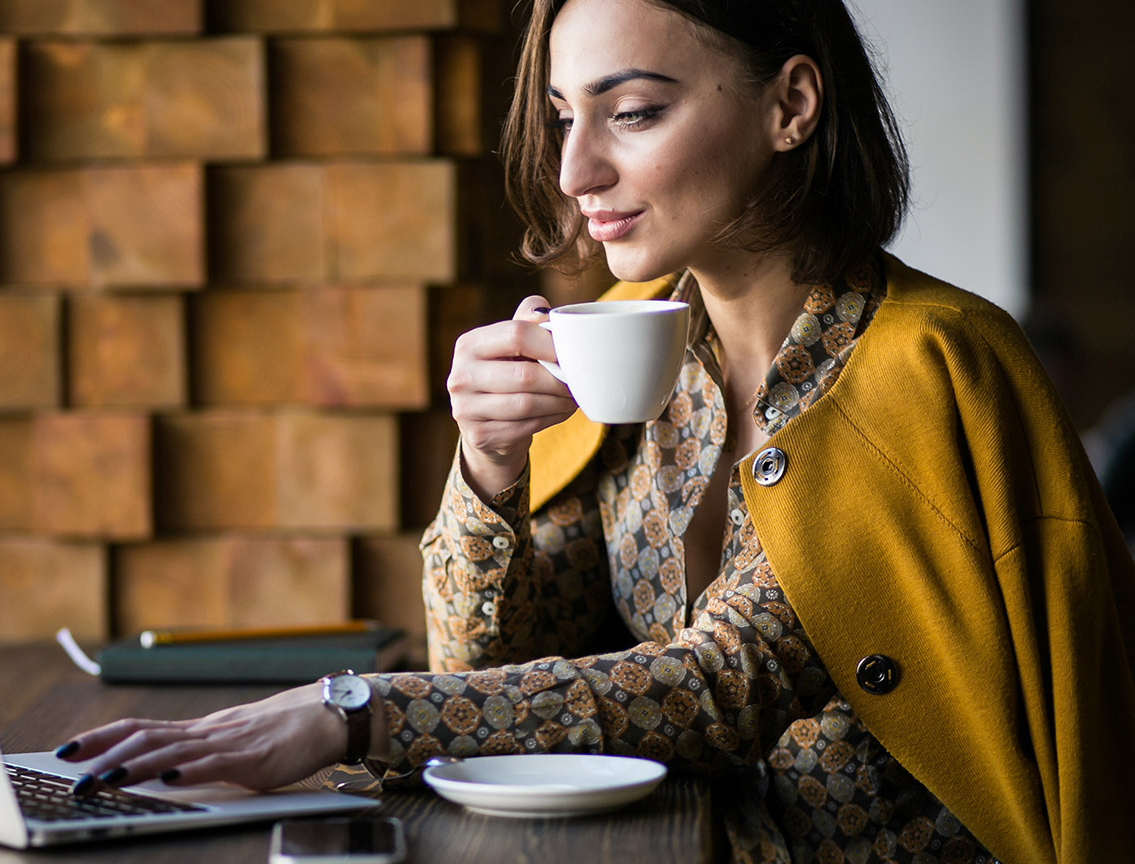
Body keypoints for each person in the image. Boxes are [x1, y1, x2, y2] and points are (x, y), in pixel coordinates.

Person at [55, 1, 1135, 861]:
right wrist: (485, 468)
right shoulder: (651, 348)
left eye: (632, 112)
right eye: (568, 116)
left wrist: (347, 712)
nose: (576, 175)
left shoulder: (927, 363)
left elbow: (722, 686)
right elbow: (493, 661)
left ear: (791, 104)